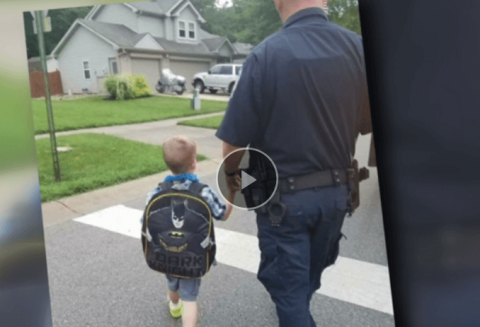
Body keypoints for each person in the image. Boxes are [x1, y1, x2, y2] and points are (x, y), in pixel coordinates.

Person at [215, 0, 372, 326]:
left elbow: (234, 142)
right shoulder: (358, 48)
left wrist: (233, 192)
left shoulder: (266, 55)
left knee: (289, 295)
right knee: (306, 280)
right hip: (336, 198)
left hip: (283, 206)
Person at [144, 135, 233, 327]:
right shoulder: (203, 192)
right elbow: (222, 214)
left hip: (164, 254)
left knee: (172, 282)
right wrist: (231, 197)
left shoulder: (156, 193)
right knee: (190, 299)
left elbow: (145, 221)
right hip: (193, 256)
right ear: (194, 163)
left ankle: (174, 306)